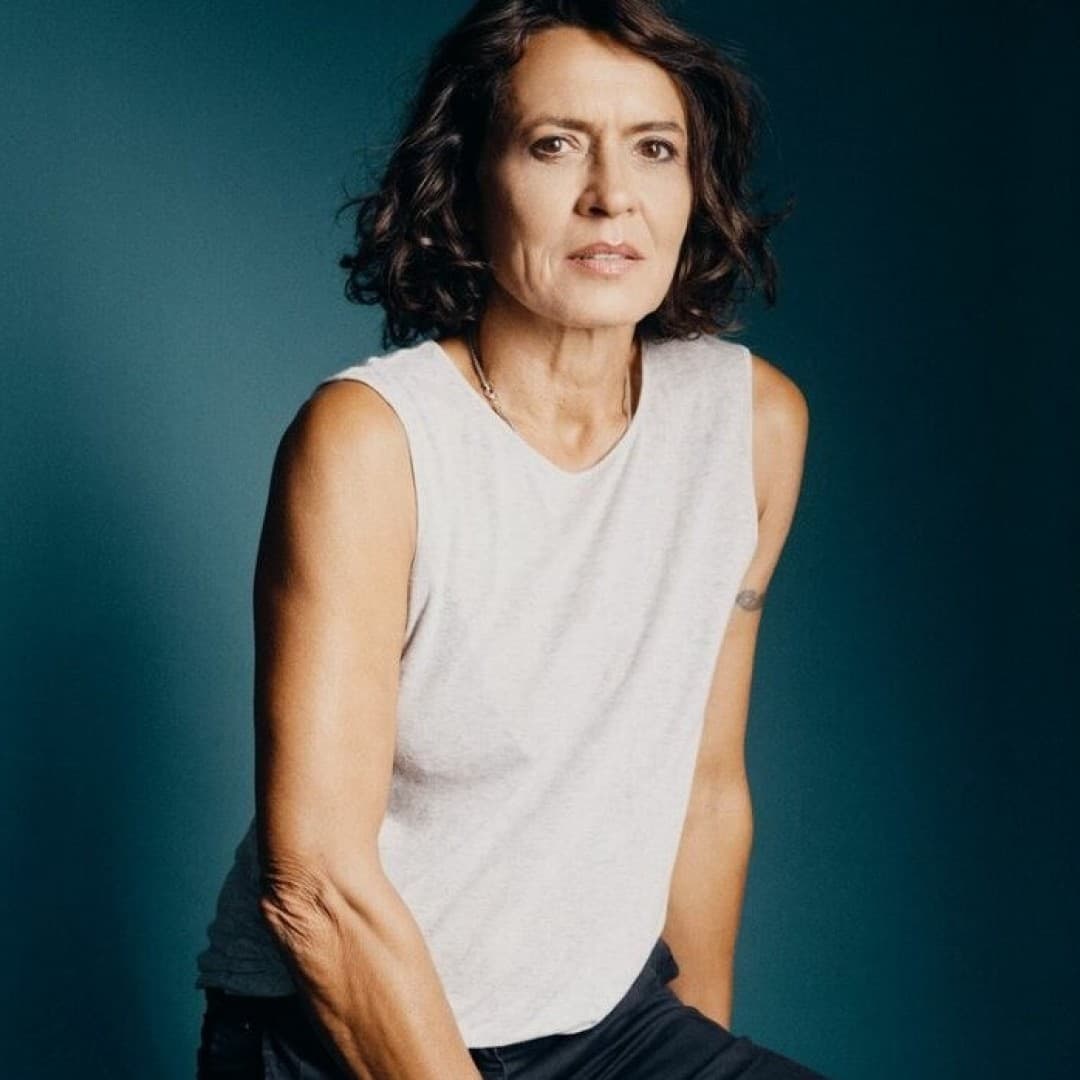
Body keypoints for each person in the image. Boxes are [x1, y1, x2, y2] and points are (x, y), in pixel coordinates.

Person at [193, 1, 828, 1077]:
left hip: (606, 1018)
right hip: (341, 1025)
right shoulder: (373, 442)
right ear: (465, 183)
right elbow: (317, 886)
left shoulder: (751, 426)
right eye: (554, 145)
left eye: (655, 149)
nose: (611, 196)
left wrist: (702, 1053)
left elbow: (706, 789)